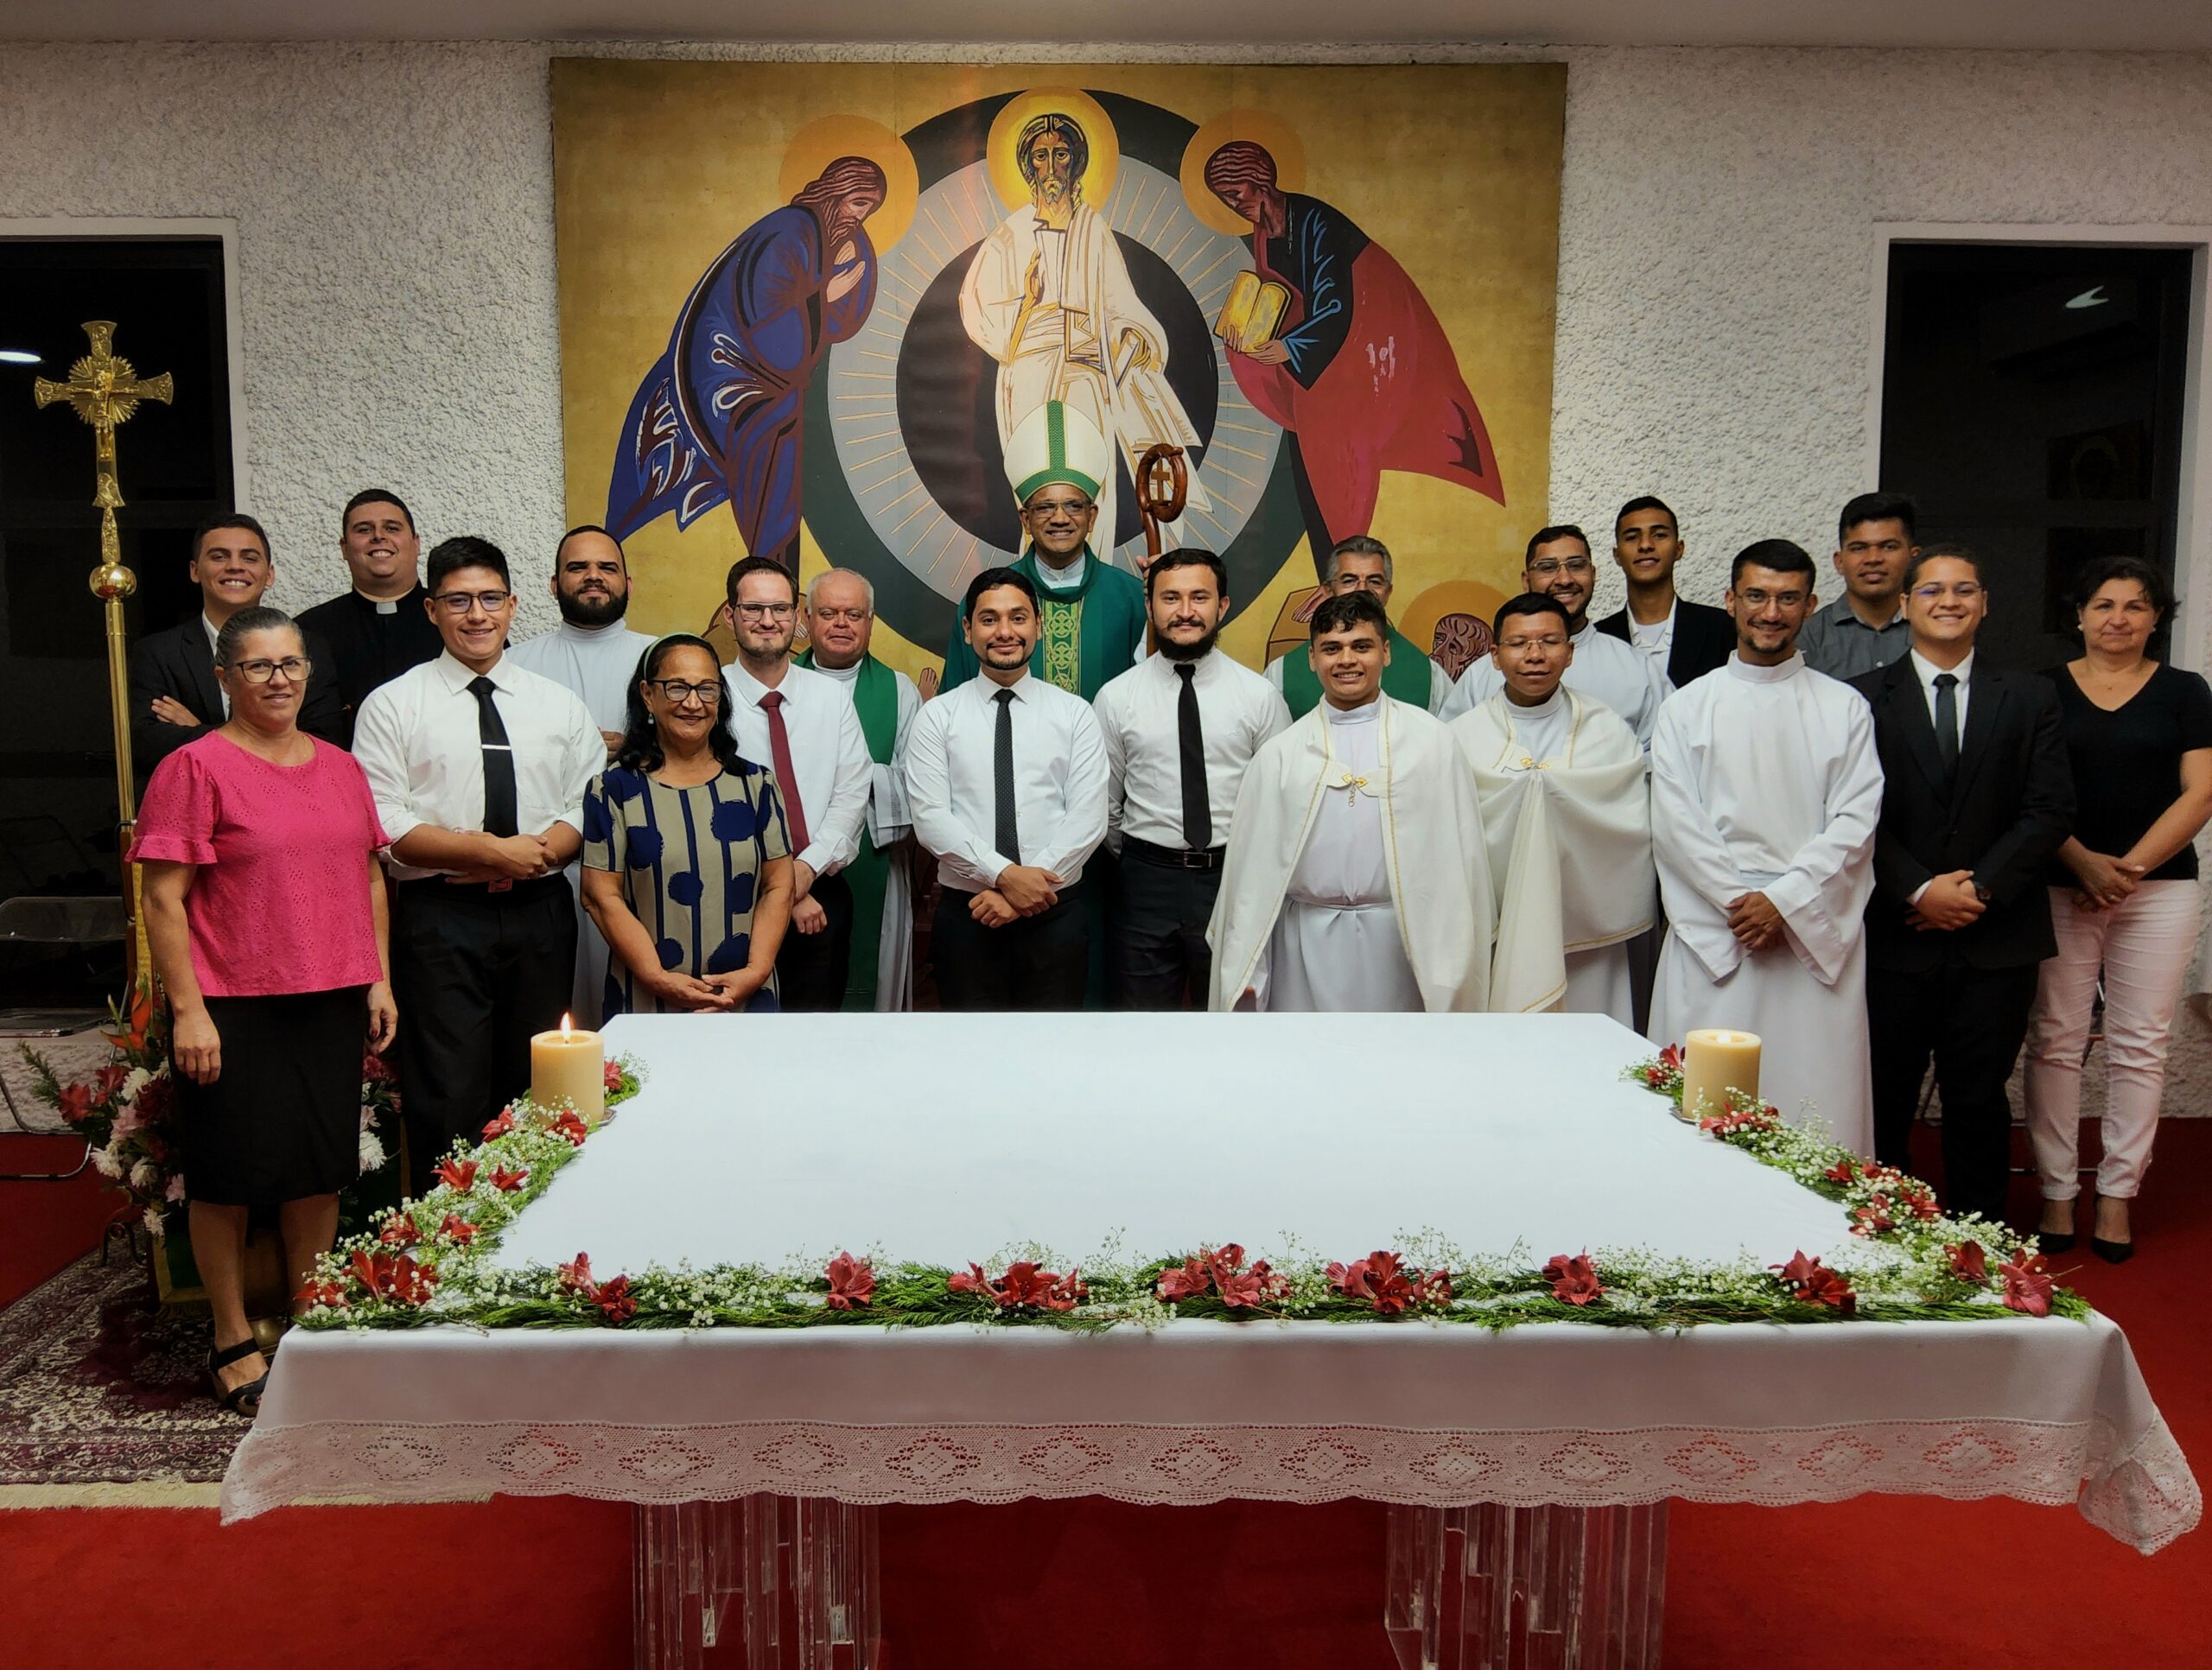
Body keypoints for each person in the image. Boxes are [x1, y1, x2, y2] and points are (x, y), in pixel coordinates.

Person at [130, 606, 397, 1416]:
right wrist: (189, 1011)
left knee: (319, 1169)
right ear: (225, 677)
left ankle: (312, 1317)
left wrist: (377, 979)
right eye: (258, 666)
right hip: (234, 1004)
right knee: (229, 1176)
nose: (279, 679)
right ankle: (231, 1331)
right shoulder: (194, 767)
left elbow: (371, 877)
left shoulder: (341, 766)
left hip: (330, 995)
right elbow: (164, 899)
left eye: (291, 664)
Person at [352, 537, 602, 1194]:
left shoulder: (556, 704)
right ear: (431, 609)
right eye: (459, 600)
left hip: (540, 913)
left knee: (540, 1080)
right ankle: (449, 1243)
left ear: (514, 604)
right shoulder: (394, 704)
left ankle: (537, 1231)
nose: (477, 614)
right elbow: (386, 823)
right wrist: (492, 851)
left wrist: (539, 854)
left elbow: (587, 799)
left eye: (491, 598)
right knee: (448, 1089)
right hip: (442, 920)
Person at [1851, 544, 2073, 1225]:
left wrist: (1975, 890)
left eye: (1964, 589)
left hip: (1996, 935)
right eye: (1932, 590)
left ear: (1983, 604)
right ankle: (1888, 1231)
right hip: (1896, 933)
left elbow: (2049, 808)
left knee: (1978, 1097)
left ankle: (1982, 1240)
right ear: (1906, 604)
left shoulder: (2032, 694)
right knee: (1884, 1094)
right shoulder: (1860, 697)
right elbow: (1851, 814)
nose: (1948, 601)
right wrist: (1918, 890)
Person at [1648, 540, 1882, 1154]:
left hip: (1806, 932)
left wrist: (1783, 901)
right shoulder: (1685, 707)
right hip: (1716, 932)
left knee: (1813, 1107)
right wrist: (1741, 902)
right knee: (1700, 1116)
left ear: (1809, 605)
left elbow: (1856, 822)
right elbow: (1676, 824)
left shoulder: (1845, 709)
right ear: (1731, 600)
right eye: (1756, 595)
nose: (1770, 612)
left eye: (1786, 598)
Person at [2024, 556, 2212, 1260]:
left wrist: (2126, 871)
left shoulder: (2186, 691)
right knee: (2056, 1038)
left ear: (2157, 618)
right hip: (2058, 880)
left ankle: (2117, 1196)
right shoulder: (2041, 689)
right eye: (2104, 604)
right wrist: (2080, 861)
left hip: (2158, 891)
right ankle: (2057, 1190)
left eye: (2136, 606)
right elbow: (2026, 788)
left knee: (2140, 1045)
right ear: (2078, 614)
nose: (2119, 618)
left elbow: (2200, 793)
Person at [1201, 139, 1503, 568]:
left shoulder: (1316, 222)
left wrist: (1289, 346)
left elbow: (1338, 303)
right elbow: (1280, 296)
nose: (1233, 205)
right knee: (1306, 465)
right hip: (1311, 376)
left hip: (1361, 359)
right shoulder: (1265, 228)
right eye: (1224, 199)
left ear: (1261, 183)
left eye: (1237, 194)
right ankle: (1329, 576)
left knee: (1339, 464)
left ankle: (1350, 574)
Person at [1209, 590, 1493, 1013]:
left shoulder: (1432, 742)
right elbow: (1251, 877)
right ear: (1312, 659)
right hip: (1302, 945)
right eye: (1331, 649)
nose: (1346, 661)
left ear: (1386, 652)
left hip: (1403, 941)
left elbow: (1463, 859)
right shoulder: (1280, 755)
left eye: (1362, 646)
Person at [606, 156, 887, 569]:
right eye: (857, 202)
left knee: (780, 469)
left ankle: (774, 576)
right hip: (732, 373)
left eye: (870, 208)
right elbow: (765, 320)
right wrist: (822, 298)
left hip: (777, 382)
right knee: (772, 463)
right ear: (836, 193)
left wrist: (845, 274)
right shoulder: (791, 230)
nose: (861, 216)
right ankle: (771, 575)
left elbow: (843, 320)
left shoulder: (837, 237)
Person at [962, 111, 1209, 562]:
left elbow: (1122, 306)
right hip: (1030, 369)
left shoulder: (1093, 229)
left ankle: (1094, 576)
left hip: (1089, 374)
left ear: (1076, 163)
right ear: (1028, 167)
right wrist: (1027, 300)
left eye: (1061, 154)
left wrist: (1129, 341)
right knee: (1037, 481)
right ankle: (1032, 588)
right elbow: (979, 313)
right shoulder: (1008, 237)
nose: (1052, 166)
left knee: (1091, 485)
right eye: (1041, 156)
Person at [1095, 548, 1290, 1008]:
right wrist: (1147, 854)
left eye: (1199, 597)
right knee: (1142, 1026)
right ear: (1150, 607)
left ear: (1222, 606)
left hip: (1232, 878)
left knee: (1231, 1021)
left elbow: (1278, 799)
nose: (1185, 612)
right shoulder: (1117, 697)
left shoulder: (1259, 696)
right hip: (1145, 883)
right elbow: (1104, 803)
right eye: (1170, 598)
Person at [907, 568, 1109, 1010]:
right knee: (971, 1056)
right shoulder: (937, 717)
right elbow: (930, 818)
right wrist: (1005, 877)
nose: (1004, 632)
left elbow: (1088, 818)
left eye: (1018, 618)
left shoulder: (1075, 715)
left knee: (1052, 1053)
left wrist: (1023, 893)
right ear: (968, 629)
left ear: (1037, 625)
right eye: (989, 619)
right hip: (968, 913)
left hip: (1056, 915)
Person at [1452, 593, 1653, 1024]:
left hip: (1585, 934)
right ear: (1495, 655)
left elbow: (1632, 829)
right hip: (1496, 932)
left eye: (1549, 642)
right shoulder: (1461, 737)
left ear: (1570, 652)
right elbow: (1448, 837)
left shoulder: (1607, 731)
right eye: (1519, 643)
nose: (1535, 656)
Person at [582, 635, 792, 1016]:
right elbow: (600, 896)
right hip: (647, 998)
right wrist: (656, 977)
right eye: (677, 687)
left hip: (744, 996)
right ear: (648, 694)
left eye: (707, 689)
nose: (693, 703)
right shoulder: (612, 789)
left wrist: (754, 973)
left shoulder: (757, 786)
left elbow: (779, 884)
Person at [506, 526, 657, 1024]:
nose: (593, 577)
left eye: (606, 568)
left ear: (628, 583)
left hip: (644, 866)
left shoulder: (663, 657)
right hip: (548, 870)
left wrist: (630, 746)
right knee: (553, 1012)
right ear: (553, 584)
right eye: (578, 568)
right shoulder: (514, 665)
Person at [719, 556, 870, 1011]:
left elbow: (851, 797)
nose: (768, 621)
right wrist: (782, 887)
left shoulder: (831, 698)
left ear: (797, 616)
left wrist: (801, 875)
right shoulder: (708, 695)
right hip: (733, 896)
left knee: (815, 1035)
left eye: (781, 609)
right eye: (753, 609)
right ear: (730, 615)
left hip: (820, 890)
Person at [938, 400, 1147, 699]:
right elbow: (957, 704)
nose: (1060, 518)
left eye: (1074, 506)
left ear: (1092, 517)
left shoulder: (1131, 599)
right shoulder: (985, 600)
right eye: (1046, 507)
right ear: (1026, 519)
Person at [129, 513, 346, 772]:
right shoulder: (158, 652)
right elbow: (147, 745)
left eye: (249, 558)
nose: (235, 566)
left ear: (269, 574)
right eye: (219, 557)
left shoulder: (309, 649)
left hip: (284, 803)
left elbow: (322, 740)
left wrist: (200, 732)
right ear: (195, 570)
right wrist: (267, 741)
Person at [796, 568, 920, 1011]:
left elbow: (916, 785)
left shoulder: (899, 690)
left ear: (871, 621)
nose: (841, 623)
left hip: (876, 859)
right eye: (828, 613)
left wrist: (840, 783)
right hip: (792, 870)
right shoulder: (780, 686)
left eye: (854, 614)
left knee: (872, 981)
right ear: (805, 618)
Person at [1441, 525, 1669, 746]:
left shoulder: (1638, 670)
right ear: (1526, 580)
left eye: (1576, 565)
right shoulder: (1481, 676)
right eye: (1548, 568)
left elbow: (1662, 760)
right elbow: (1448, 753)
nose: (1564, 579)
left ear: (1593, 574)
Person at [296, 489, 444, 746]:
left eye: (392, 528)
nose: (379, 536)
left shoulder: (456, 620)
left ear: (416, 543)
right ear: (344, 548)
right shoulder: (306, 631)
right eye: (364, 530)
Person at [1267, 536, 1452, 718]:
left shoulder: (1429, 674)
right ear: (1328, 591)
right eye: (1349, 580)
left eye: (1374, 581)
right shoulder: (1282, 673)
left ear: (1388, 592)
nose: (1362, 590)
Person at [1595, 496, 1736, 689]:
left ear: (1679, 549)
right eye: (1632, 537)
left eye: (1659, 535)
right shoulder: (1599, 638)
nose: (1645, 545)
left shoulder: (1723, 629)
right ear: (1617, 555)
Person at [1796, 492, 1917, 681]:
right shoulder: (1808, 637)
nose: (1873, 559)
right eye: (1859, 548)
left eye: (1888, 546)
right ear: (1840, 562)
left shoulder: (1933, 629)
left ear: (1914, 557)